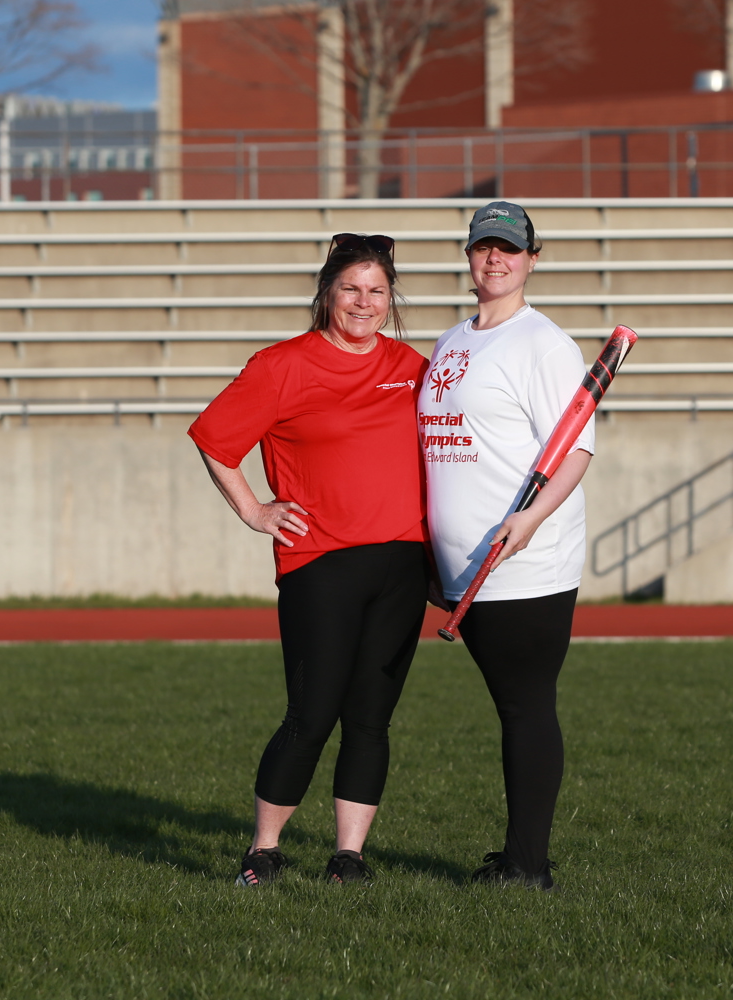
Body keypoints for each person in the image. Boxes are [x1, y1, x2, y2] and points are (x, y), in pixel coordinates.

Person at [188, 233, 428, 887]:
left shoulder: (413, 365)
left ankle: (348, 857)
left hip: (403, 562)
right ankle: (263, 849)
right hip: (320, 562)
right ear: (326, 293)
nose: (364, 302)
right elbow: (215, 439)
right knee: (312, 712)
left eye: (377, 291)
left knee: (371, 718)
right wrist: (253, 510)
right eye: (350, 287)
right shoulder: (281, 365)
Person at [420, 202, 594, 891]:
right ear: (468, 256)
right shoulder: (452, 339)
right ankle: (522, 855)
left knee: (525, 706)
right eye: (484, 247)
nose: (495, 259)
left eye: (510, 250)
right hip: (461, 568)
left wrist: (530, 519)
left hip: (525, 564)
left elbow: (574, 449)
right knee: (512, 707)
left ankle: (528, 866)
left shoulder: (543, 344)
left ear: (531, 259)